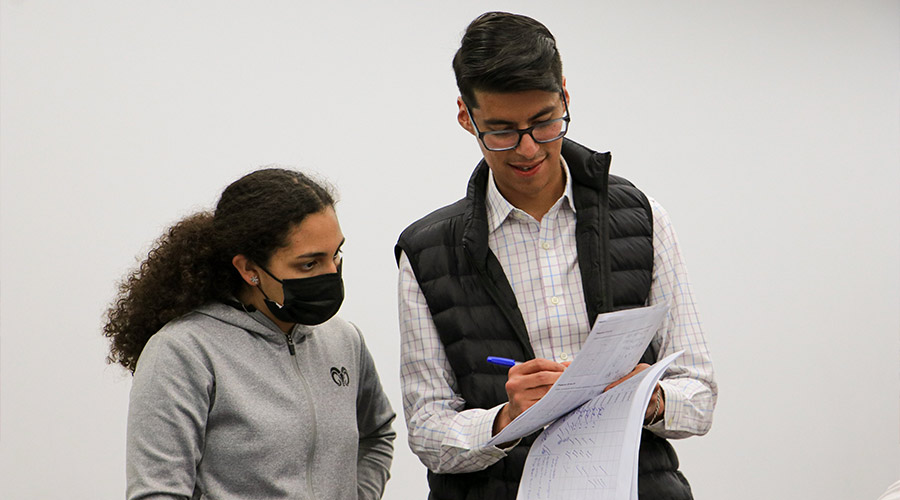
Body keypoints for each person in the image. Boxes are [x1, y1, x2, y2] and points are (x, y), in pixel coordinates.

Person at [396, 12, 716, 500]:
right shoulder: (426, 251)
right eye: (501, 130)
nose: (527, 149)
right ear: (466, 116)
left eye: (544, 122)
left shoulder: (643, 217)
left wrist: (645, 399)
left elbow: (699, 395)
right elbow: (425, 428)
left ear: (565, 95)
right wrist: (504, 420)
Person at [104, 168, 395, 500]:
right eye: (309, 264)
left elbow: (377, 434)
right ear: (248, 269)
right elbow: (157, 492)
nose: (332, 273)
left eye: (336, 255)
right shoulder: (182, 352)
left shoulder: (343, 340)